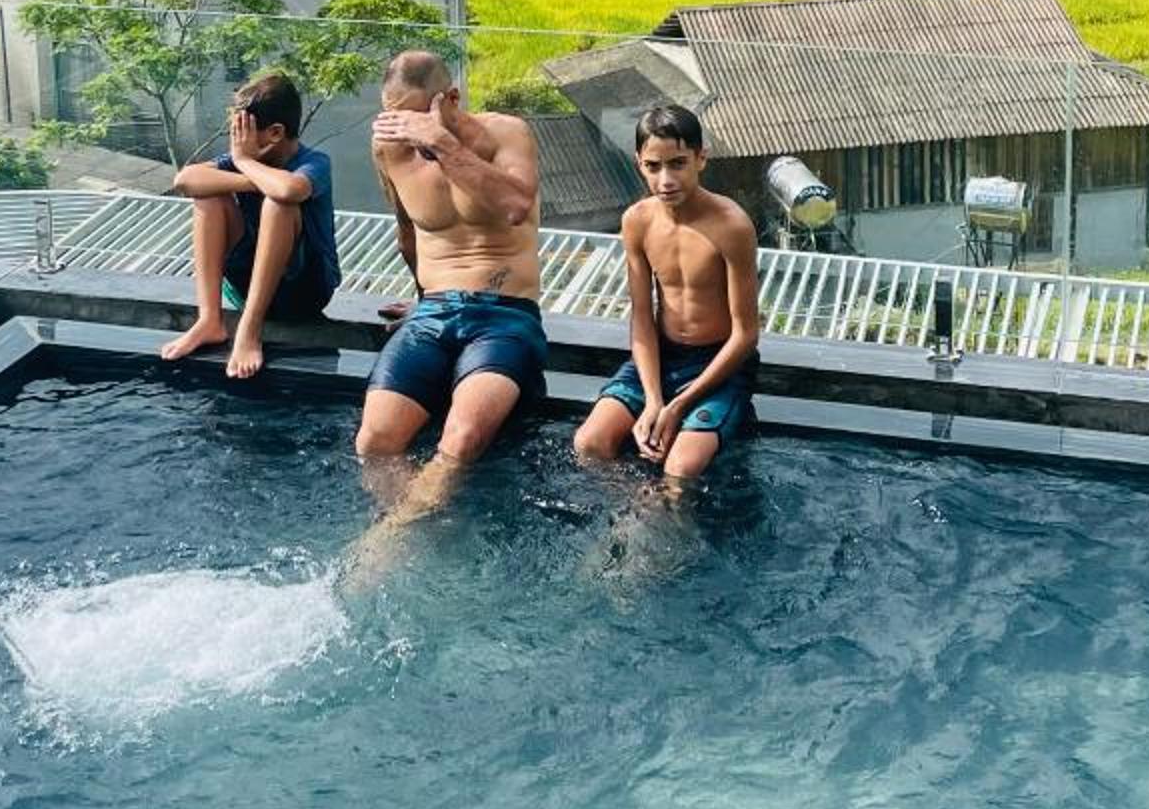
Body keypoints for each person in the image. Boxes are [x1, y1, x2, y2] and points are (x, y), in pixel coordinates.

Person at [350, 48, 543, 541]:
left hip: (505, 313)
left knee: (461, 440)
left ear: (450, 100)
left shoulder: (507, 133)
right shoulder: (389, 147)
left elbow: (515, 204)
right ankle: (426, 535)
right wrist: (422, 297)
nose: (403, 129)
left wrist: (441, 142)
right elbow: (407, 230)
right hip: (434, 311)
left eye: (413, 116)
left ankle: (385, 545)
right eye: (392, 116)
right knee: (374, 442)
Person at [575, 102, 760, 491]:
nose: (665, 180)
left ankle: (663, 516)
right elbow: (642, 317)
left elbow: (746, 335)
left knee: (681, 468)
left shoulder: (732, 225)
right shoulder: (638, 221)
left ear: (701, 158)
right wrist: (653, 400)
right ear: (639, 164)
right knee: (589, 443)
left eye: (677, 164)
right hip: (660, 358)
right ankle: (633, 512)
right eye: (653, 166)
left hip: (718, 364)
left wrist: (677, 407)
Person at [163, 71, 340, 381]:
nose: (235, 143)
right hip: (245, 285)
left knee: (278, 204)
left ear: (275, 133)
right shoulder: (243, 157)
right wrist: (251, 176)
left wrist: (245, 163)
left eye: (241, 132)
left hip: (304, 290)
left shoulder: (315, 162)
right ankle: (209, 319)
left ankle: (249, 329)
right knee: (209, 198)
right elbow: (185, 180)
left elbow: (289, 190)